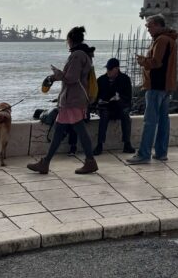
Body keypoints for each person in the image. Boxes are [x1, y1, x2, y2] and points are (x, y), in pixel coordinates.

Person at [27, 26, 98, 175]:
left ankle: (90, 161)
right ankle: (45, 163)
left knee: (78, 131)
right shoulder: (84, 54)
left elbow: (71, 78)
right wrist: (57, 76)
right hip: (74, 99)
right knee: (59, 131)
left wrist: (56, 75)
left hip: (72, 99)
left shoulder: (77, 55)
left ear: (70, 40)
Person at [127, 15, 178, 165]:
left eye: (149, 26)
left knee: (150, 121)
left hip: (156, 85)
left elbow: (156, 63)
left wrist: (142, 61)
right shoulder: (170, 39)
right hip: (166, 85)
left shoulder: (162, 40)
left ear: (157, 25)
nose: (148, 29)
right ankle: (161, 153)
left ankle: (143, 154)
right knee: (163, 120)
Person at [94, 57, 134, 155]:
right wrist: (99, 101)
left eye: (110, 70)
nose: (108, 72)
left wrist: (119, 98)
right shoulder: (101, 80)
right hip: (107, 108)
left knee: (125, 115)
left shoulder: (125, 79)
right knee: (104, 115)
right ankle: (99, 144)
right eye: (107, 69)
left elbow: (128, 97)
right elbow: (96, 96)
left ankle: (127, 143)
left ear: (116, 69)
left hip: (120, 107)